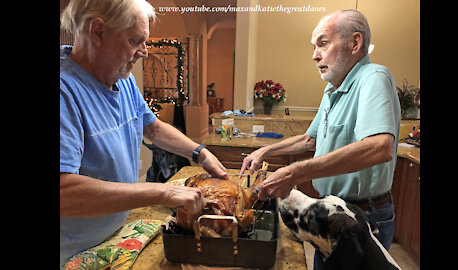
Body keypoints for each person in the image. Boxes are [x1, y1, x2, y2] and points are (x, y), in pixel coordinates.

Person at [60, 0, 227, 267]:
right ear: (98, 32)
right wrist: (163, 193)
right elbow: (63, 192)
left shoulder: (123, 78)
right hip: (72, 253)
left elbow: (152, 127)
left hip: (113, 235)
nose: (145, 52)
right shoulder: (64, 90)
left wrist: (199, 152)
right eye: (136, 40)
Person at [240, 9, 400, 269]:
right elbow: (308, 140)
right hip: (330, 212)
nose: (315, 55)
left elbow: (380, 147)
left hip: (361, 216)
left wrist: (295, 172)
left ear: (355, 43)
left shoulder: (374, 78)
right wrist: (264, 152)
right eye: (314, 47)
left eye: (323, 44)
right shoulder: (332, 89)